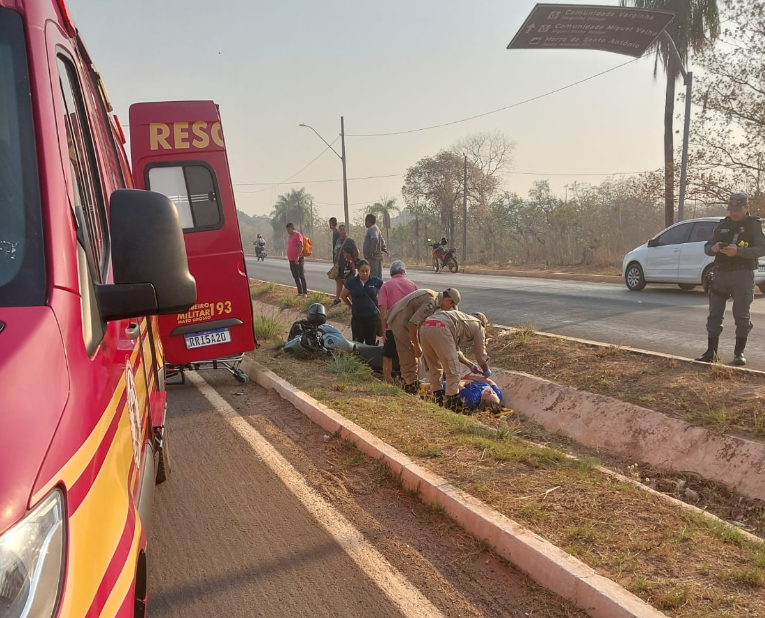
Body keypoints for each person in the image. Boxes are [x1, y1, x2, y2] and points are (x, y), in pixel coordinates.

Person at [695, 193, 765, 366]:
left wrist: (739, 252)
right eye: (731, 209)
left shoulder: (754, 225)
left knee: (741, 316)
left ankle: (739, 353)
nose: (734, 213)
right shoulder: (723, 224)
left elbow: (762, 248)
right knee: (714, 315)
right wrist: (715, 248)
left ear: (746, 208)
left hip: (742, 275)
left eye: (738, 209)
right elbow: (707, 247)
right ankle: (711, 352)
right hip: (720, 274)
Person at [386, 288, 461, 393]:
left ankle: (411, 382)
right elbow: (413, 323)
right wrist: (416, 346)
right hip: (401, 319)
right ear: (448, 301)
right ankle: (410, 386)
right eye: (451, 307)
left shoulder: (434, 298)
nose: (449, 310)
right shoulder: (431, 302)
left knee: (414, 351)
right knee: (408, 351)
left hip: (405, 317)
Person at [420, 310, 490, 410]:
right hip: (441, 328)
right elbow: (481, 356)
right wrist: (486, 371)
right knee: (453, 371)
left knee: (433, 367)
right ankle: (450, 404)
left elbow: (455, 352)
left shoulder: (459, 320)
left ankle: (438, 399)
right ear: (484, 323)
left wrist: (470, 365)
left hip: (425, 327)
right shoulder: (479, 326)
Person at [378, 260, 418, 382]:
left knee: (388, 354)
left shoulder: (386, 285)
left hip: (392, 327)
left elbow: (382, 307)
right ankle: (410, 380)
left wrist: (384, 329)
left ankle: (387, 379)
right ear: (403, 271)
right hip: (408, 327)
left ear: (391, 273)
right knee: (410, 354)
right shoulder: (412, 285)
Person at [340, 259, 384, 345]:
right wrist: (351, 305)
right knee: (357, 343)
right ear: (358, 271)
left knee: (371, 343)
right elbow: (343, 296)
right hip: (358, 318)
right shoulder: (352, 282)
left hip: (372, 318)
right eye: (362, 271)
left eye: (367, 271)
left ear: (370, 270)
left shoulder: (376, 281)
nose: (365, 273)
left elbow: (385, 292)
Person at [421, 373, 503, 415]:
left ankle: (421, 385)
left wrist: (466, 380)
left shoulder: (473, 399)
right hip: (468, 382)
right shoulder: (498, 396)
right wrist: (471, 377)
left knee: (442, 386)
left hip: (459, 387)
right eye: (493, 393)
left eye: (489, 394)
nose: (491, 391)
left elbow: (459, 386)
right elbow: (489, 381)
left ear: (483, 401)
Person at [332, 224, 356, 305]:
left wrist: (351, 262)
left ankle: (353, 303)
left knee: (347, 286)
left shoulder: (350, 241)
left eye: (343, 229)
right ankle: (337, 299)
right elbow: (335, 252)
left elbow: (356, 252)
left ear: (346, 231)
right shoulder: (338, 240)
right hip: (339, 265)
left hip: (347, 267)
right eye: (340, 230)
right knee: (338, 281)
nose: (342, 231)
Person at [285, 222, 308, 297]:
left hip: (298, 258)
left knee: (301, 275)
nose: (288, 231)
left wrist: (297, 256)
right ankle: (299, 292)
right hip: (291, 259)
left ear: (293, 228)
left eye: (289, 229)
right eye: (287, 230)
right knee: (295, 276)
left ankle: (305, 292)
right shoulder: (290, 236)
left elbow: (301, 246)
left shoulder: (297, 235)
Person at [363, 213, 386, 280]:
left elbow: (375, 239)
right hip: (377, 257)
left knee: (373, 277)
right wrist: (383, 247)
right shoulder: (376, 228)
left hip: (373, 258)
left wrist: (371, 252)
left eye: (365, 221)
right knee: (378, 276)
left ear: (367, 221)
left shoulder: (372, 229)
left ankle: (374, 290)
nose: (365, 223)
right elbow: (381, 239)